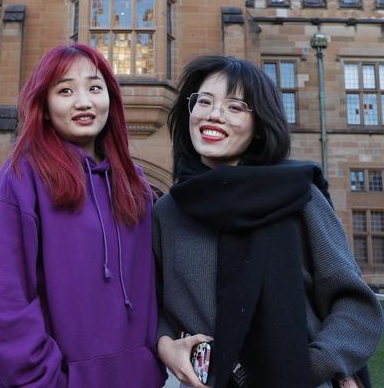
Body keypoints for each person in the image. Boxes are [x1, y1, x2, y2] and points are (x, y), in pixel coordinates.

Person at [153, 55, 384, 388]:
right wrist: (165, 344)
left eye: (234, 107)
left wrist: (312, 365)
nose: (214, 114)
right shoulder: (168, 211)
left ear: (259, 124)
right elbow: (154, 304)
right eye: (204, 102)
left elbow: (354, 303)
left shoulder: (299, 196)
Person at [0, 44, 166, 387]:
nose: (84, 102)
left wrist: (148, 365)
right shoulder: (21, 177)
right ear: (44, 106)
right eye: (66, 90)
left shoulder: (135, 182)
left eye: (94, 88)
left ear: (110, 100)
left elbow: (154, 286)